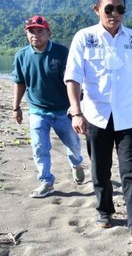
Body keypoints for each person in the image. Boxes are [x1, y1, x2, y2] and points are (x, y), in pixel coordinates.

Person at [65, 0, 132, 250]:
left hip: (128, 117)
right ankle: (104, 210)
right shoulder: (85, 38)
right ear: (97, 10)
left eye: (120, 9)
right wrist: (76, 112)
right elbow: (73, 77)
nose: (115, 14)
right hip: (95, 116)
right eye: (109, 9)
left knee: (131, 173)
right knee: (100, 169)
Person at [12, 15, 85, 198]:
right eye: (31, 31)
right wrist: (16, 107)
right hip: (37, 110)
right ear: (26, 34)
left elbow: (74, 81)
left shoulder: (61, 53)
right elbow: (19, 82)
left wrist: (79, 108)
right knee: (39, 147)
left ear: (48, 33)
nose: (35, 35)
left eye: (40, 31)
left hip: (63, 110)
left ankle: (76, 163)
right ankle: (46, 181)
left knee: (74, 144)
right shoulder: (22, 56)